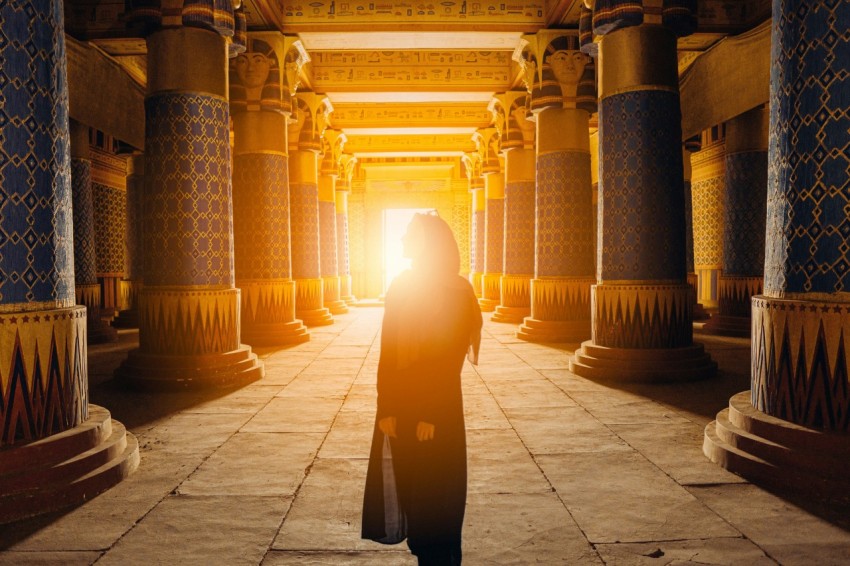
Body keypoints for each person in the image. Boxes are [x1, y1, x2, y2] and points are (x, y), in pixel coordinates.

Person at [362, 212, 483, 566]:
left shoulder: (457, 290)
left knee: (437, 489)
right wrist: (387, 408)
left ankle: (440, 557)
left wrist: (432, 413)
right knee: (412, 483)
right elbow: (388, 353)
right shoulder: (402, 285)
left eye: (409, 235)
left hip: (437, 407)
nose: (402, 242)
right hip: (402, 406)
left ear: (427, 242)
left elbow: (448, 358)